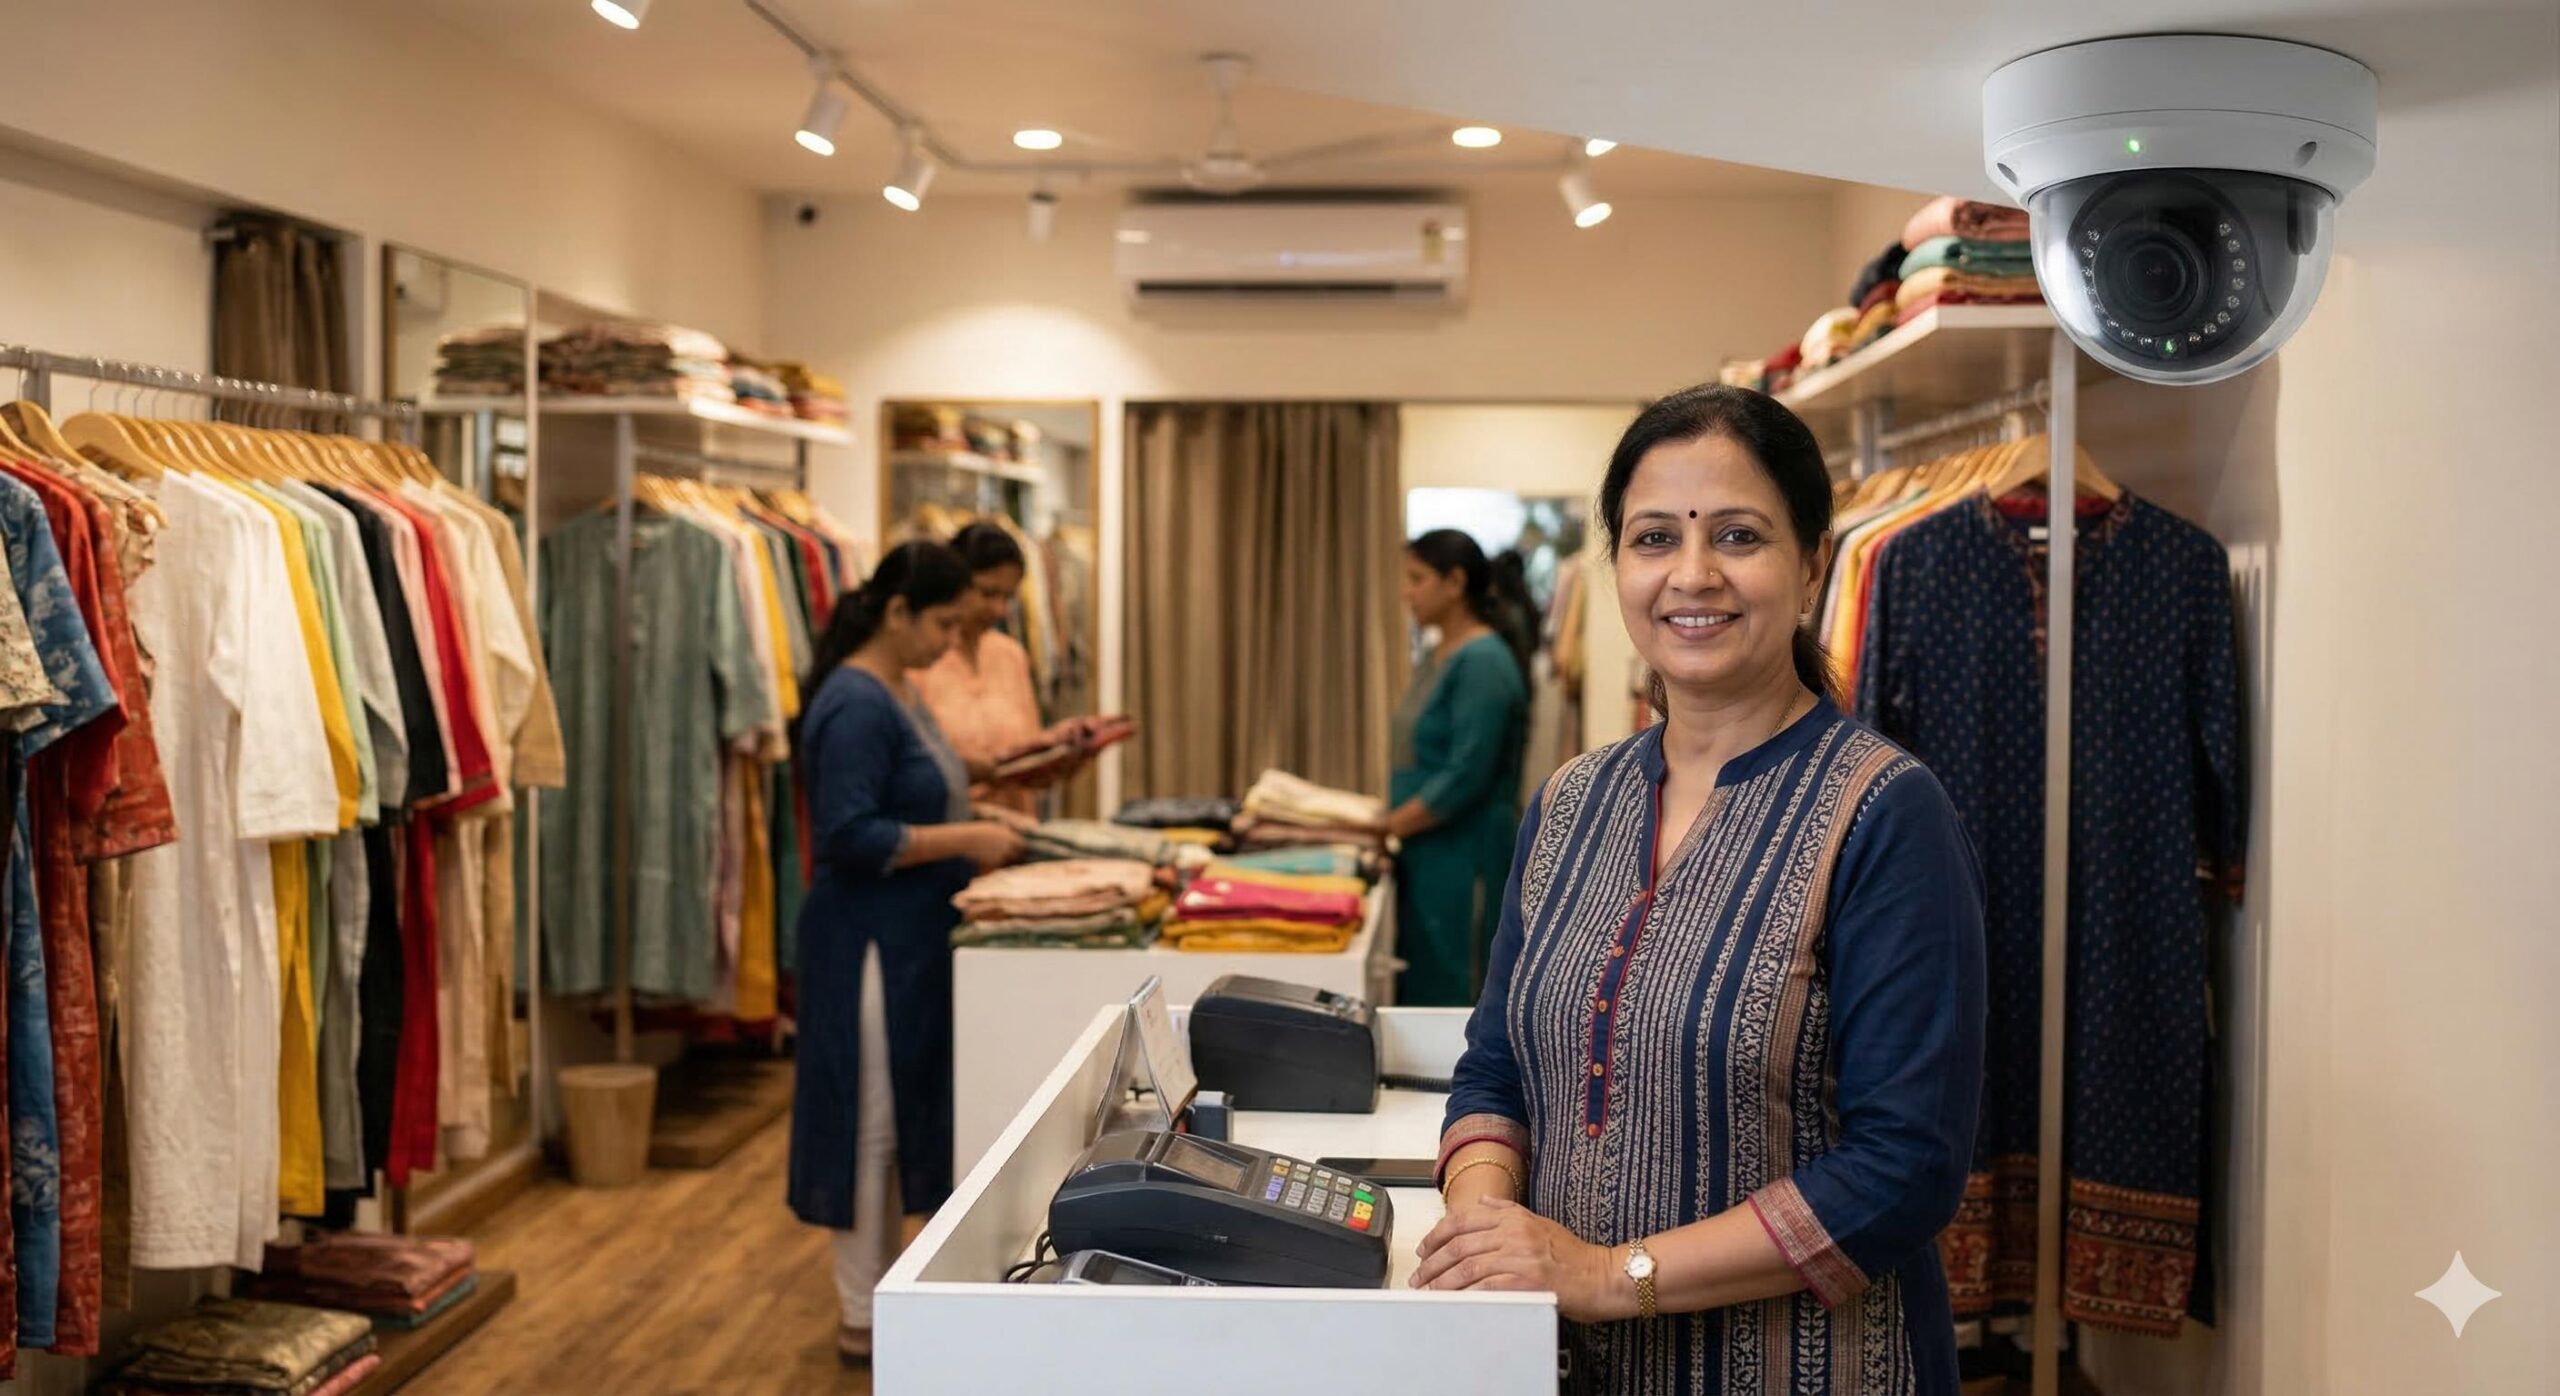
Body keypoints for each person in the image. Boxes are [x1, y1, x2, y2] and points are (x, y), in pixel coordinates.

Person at [1416, 386, 1987, 1395]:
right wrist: (1484, 1224)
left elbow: (1903, 1169)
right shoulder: (1570, 802)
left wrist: (1604, 1273)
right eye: (1651, 539)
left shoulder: (1885, 814)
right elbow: (1497, 1064)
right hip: (1562, 1366)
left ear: (1812, 563)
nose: (1691, 574)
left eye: (1737, 534)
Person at [786, 541, 1025, 1365]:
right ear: (898, 612)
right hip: (867, 944)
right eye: (945, 624)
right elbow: (849, 834)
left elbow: (913, 787)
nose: (951, 643)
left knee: (902, 1117)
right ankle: (863, 1314)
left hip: (911, 936)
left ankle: (895, 1297)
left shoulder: (895, 689)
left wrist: (989, 805)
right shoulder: (856, 702)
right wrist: (970, 835)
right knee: (870, 1125)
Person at [1386, 529, 1533, 1006]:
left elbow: (1467, 773)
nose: (1406, 591)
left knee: (1456, 987)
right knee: (1424, 975)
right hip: (1428, 849)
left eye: (1416, 578)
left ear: (1454, 583)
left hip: (1464, 854)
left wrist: (1388, 826)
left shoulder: (1483, 661)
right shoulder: (1440, 653)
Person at [911, 519, 1087, 814]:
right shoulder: (919, 662)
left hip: (1014, 833)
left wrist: (1058, 754)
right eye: (988, 593)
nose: (1000, 610)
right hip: (948, 836)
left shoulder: (1011, 656)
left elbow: (1027, 756)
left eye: (1008, 597)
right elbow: (914, 774)